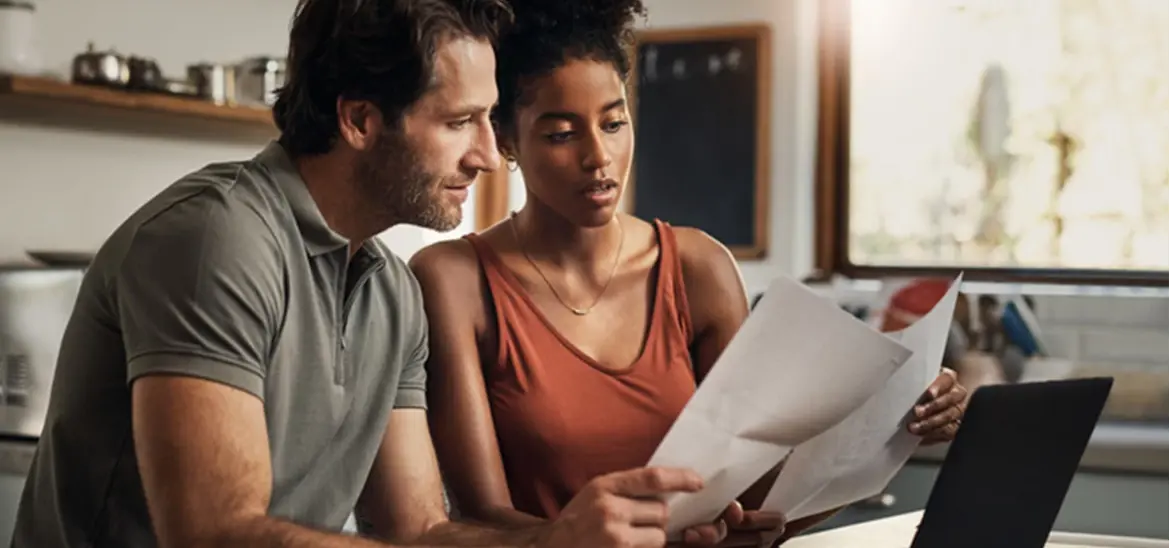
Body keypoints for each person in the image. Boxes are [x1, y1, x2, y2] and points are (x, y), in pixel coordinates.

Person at [10, 1, 736, 547]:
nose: (488, 155)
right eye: (460, 123)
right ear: (359, 120)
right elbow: (215, 534)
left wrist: (561, 539)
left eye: (490, 122)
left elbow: (419, 528)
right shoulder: (217, 239)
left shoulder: (390, 290)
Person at [409, 0, 971, 545]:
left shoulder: (698, 268)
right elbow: (481, 517)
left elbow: (761, 498)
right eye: (561, 134)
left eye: (613, 123)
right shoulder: (454, 280)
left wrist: (894, 428)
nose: (598, 157)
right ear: (504, 137)